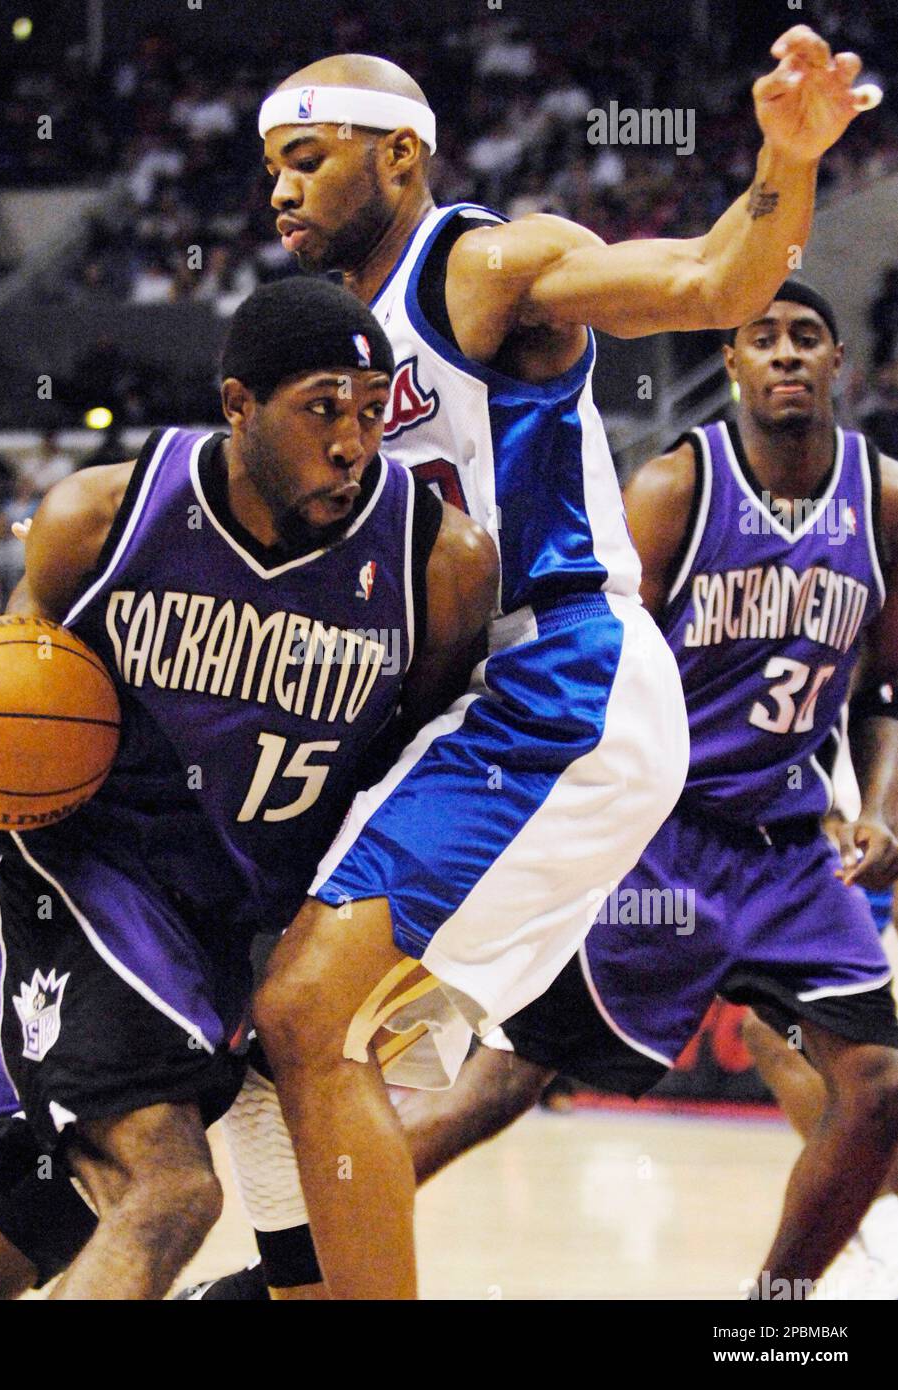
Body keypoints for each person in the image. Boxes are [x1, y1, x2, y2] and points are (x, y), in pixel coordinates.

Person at [248, 29, 882, 1297]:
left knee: (311, 1015)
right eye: (268, 167)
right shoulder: (338, 348)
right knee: (279, 1029)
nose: (278, 190)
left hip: (565, 684)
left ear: (401, 152)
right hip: (472, 705)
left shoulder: (484, 264)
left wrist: (787, 160)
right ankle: (288, 1282)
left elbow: (713, 279)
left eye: (307, 158)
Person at [0, 276, 497, 1300]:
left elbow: (413, 772)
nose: (353, 443)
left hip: (235, 942)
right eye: (322, 408)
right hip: (79, 890)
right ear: (237, 405)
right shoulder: (101, 520)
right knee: (172, 1194)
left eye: (371, 411)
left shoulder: (436, 562)